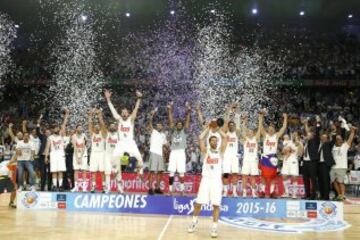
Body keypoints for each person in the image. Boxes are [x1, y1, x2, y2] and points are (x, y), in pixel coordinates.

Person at [188, 124, 227, 238]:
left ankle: (214, 228)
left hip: (216, 181)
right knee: (198, 203)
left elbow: (225, 138)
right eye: (212, 140)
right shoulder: (205, 151)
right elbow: (200, 138)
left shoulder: (221, 152)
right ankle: (194, 222)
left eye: (216, 140)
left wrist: (218, 129)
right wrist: (209, 128)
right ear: (210, 142)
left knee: (216, 205)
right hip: (206, 180)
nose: (214, 142)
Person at [105, 89, 144, 193]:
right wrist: (108, 99)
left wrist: (139, 99)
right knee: (113, 160)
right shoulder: (119, 120)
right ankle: (115, 171)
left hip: (130, 143)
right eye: (123, 112)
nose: (124, 114)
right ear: (121, 114)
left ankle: (139, 172)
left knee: (140, 161)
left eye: (126, 112)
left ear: (128, 114)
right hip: (121, 143)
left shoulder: (131, 119)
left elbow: (136, 109)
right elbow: (113, 111)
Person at [259, 112, 288, 198]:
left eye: (272, 129)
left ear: (274, 130)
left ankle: (271, 192)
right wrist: (261, 118)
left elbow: (283, 128)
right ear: (268, 129)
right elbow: (260, 127)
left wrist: (285, 118)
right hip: (265, 158)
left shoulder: (276, 136)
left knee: (272, 177)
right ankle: (264, 192)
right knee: (263, 177)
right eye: (269, 128)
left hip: (273, 159)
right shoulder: (265, 135)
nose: (270, 130)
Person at [167, 101, 191, 194]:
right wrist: (169, 110)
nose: (180, 125)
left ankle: (182, 190)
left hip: (181, 152)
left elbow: (187, 121)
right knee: (171, 172)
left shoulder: (184, 131)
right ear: (176, 125)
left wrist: (188, 112)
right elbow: (171, 120)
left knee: (181, 173)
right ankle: (170, 190)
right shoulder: (173, 131)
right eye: (178, 124)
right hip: (173, 152)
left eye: (181, 124)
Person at [44, 109, 69, 191]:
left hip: (61, 154)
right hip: (53, 154)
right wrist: (46, 157)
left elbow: (64, 124)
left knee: (60, 171)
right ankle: (55, 186)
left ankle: (60, 186)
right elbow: (47, 147)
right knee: (54, 171)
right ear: (53, 130)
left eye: (58, 128)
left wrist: (66, 115)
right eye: (55, 128)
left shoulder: (61, 135)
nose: (57, 129)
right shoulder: (50, 137)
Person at [331, 127, 357, 201]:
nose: (338, 140)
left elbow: (350, 139)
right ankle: (339, 195)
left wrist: (352, 132)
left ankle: (342, 195)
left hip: (342, 167)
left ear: (342, 140)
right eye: (337, 139)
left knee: (340, 182)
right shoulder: (333, 147)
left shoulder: (345, 146)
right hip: (333, 167)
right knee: (334, 181)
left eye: (339, 139)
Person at [239, 113, 262, 198]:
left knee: (253, 177)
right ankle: (244, 193)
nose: (250, 133)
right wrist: (244, 121)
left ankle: (253, 192)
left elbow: (259, 130)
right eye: (249, 132)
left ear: (253, 133)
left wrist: (260, 120)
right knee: (244, 176)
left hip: (254, 160)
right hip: (246, 160)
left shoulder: (256, 139)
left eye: (251, 132)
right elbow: (243, 130)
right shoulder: (246, 139)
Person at [222, 104, 241, 197]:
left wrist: (237, 109)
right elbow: (226, 121)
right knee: (225, 173)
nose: (232, 126)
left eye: (233, 125)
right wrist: (229, 111)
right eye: (230, 125)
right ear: (228, 126)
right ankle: (225, 191)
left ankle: (234, 191)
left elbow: (237, 119)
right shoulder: (225, 133)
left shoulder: (236, 133)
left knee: (235, 174)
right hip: (226, 156)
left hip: (234, 156)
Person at [147, 108, 167, 195]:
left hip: (160, 155)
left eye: (160, 125)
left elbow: (166, 146)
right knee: (152, 171)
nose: (158, 126)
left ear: (162, 127)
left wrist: (166, 153)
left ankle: (157, 188)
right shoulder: (154, 132)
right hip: (154, 153)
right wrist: (152, 115)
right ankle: (150, 188)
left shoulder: (164, 135)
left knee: (160, 172)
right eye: (157, 125)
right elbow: (149, 123)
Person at [97, 110, 118, 193]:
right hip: (108, 155)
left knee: (116, 173)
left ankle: (119, 188)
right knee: (107, 172)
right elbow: (102, 124)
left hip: (116, 155)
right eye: (111, 126)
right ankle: (108, 188)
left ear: (115, 127)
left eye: (113, 126)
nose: (112, 127)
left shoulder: (118, 134)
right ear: (109, 128)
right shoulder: (106, 134)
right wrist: (99, 116)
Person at [88, 108, 107, 193]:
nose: (96, 128)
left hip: (102, 153)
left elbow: (102, 124)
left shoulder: (102, 134)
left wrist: (99, 115)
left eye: (97, 127)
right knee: (93, 171)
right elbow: (89, 124)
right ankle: (93, 186)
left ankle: (104, 186)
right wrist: (90, 115)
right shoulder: (92, 134)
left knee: (102, 171)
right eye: (95, 127)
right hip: (94, 153)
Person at [302, 117, 321, 200]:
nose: (307, 134)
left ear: (313, 134)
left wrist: (318, 121)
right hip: (305, 162)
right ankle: (307, 194)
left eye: (309, 133)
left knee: (313, 179)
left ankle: (314, 195)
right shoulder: (307, 141)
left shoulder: (315, 139)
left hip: (312, 162)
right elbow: (307, 131)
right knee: (305, 179)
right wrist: (305, 123)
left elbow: (318, 128)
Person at [281, 132, 303, 199]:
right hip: (286, 161)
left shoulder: (300, 143)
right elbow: (282, 152)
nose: (294, 136)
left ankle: (294, 194)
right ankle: (287, 192)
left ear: (298, 136)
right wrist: (286, 151)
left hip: (293, 161)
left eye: (295, 135)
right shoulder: (288, 142)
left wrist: (299, 146)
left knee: (294, 177)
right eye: (293, 135)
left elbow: (300, 154)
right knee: (284, 176)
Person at [318, 133, 336, 200]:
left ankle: (326, 197)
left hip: (325, 164)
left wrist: (333, 133)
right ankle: (322, 195)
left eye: (325, 137)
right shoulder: (319, 144)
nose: (323, 138)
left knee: (326, 181)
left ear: (327, 139)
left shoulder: (328, 144)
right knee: (320, 181)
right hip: (319, 164)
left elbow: (333, 140)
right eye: (322, 137)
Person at [36, 116, 52, 191]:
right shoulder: (43, 137)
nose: (48, 133)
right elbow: (37, 131)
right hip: (42, 157)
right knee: (43, 173)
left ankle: (49, 188)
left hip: (51, 157)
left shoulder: (53, 138)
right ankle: (42, 188)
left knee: (50, 172)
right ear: (45, 133)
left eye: (49, 132)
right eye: (47, 132)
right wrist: (38, 123)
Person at [71, 125, 88, 192]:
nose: (80, 129)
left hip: (83, 154)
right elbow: (75, 147)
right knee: (76, 170)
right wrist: (77, 157)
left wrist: (80, 157)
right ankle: (76, 187)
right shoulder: (73, 136)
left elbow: (84, 146)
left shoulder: (84, 136)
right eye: (78, 128)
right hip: (76, 154)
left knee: (84, 170)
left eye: (81, 128)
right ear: (76, 129)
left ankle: (84, 187)